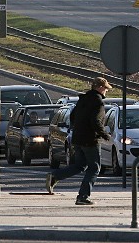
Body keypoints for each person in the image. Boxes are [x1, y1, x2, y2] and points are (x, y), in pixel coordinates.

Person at [46, 77, 111, 205]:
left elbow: (73, 116)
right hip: (90, 140)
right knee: (94, 168)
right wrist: (104, 134)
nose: (106, 91)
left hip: (77, 138)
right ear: (101, 88)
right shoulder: (98, 102)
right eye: (106, 89)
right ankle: (82, 196)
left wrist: (79, 129)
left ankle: (55, 176)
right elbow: (96, 121)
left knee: (79, 165)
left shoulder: (83, 100)